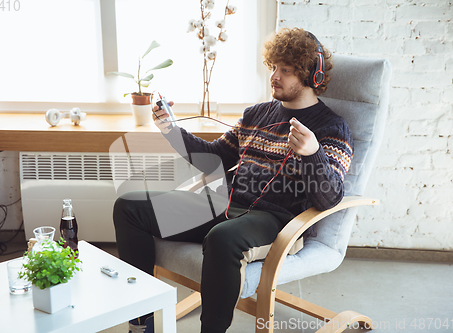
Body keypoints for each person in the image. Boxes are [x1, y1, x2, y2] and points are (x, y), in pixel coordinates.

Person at [113, 27, 353, 333]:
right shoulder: (256, 114)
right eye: (273, 67)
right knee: (129, 207)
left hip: (275, 220)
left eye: (287, 70)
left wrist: (313, 153)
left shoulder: (332, 128)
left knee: (223, 237)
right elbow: (215, 158)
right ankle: (142, 321)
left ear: (312, 76)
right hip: (223, 205)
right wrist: (170, 129)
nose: (274, 77)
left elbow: (330, 198)